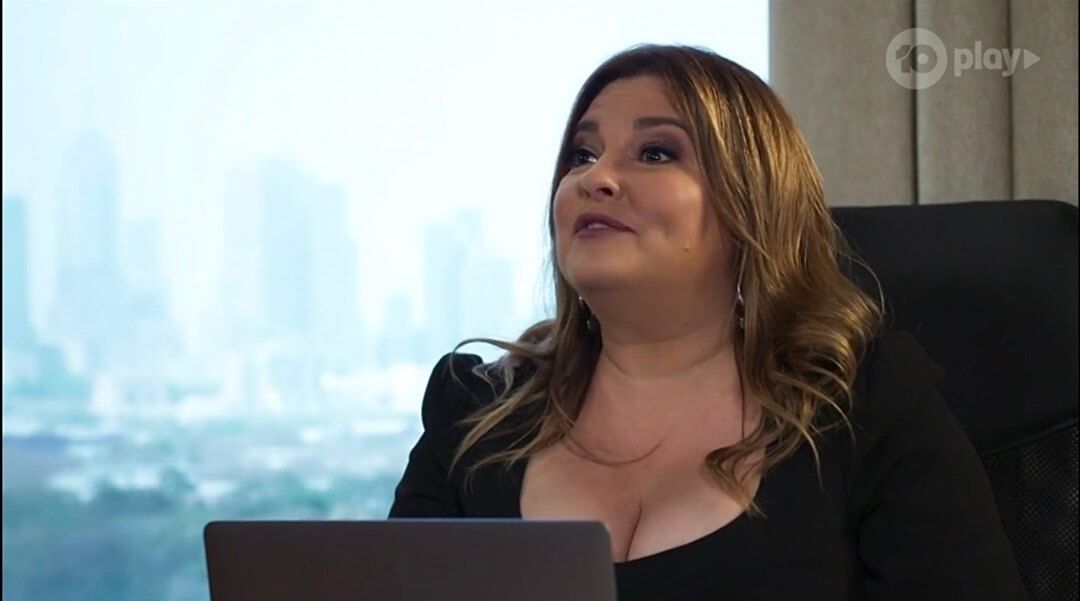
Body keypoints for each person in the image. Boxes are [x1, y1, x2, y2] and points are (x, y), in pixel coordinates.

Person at [388, 43, 1029, 600]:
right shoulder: (471, 412)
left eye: (655, 153)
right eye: (581, 155)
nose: (596, 177)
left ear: (752, 207)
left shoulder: (863, 410)